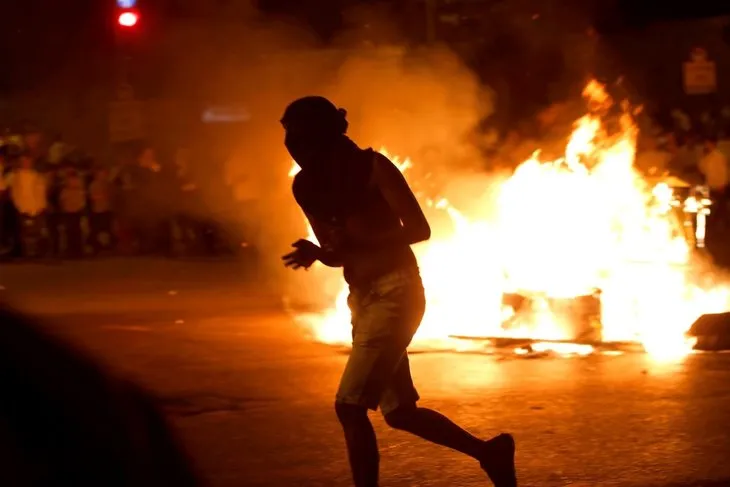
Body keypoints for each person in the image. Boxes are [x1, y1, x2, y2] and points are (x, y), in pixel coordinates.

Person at [280, 96, 517, 487]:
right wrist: (319, 253)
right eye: (288, 137)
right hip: (362, 297)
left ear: (322, 135)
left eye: (299, 137)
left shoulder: (374, 167)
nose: (292, 146)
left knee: (349, 407)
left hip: (398, 292)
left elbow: (419, 230)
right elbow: (340, 255)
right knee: (400, 413)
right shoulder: (306, 186)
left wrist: (352, 246)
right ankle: (490, 453)